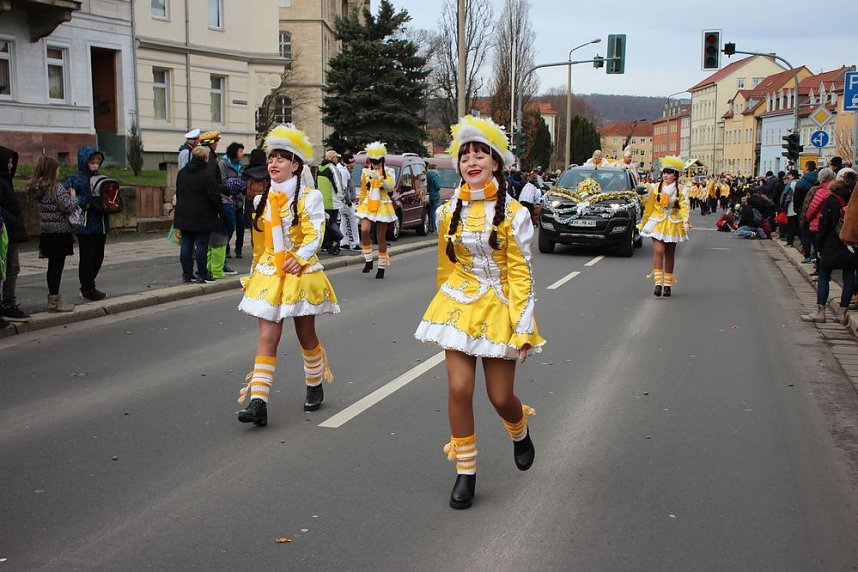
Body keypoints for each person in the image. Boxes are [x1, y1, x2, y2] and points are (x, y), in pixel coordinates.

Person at [414, 115, 545, 510]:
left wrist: (523, 327)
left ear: (496, 163)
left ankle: (519, 429)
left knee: (499, 396)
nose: (471, 162)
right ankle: (465, 472)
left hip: (500, 309)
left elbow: (521, 274)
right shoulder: (446, 211)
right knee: (458, 389)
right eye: (465, 155)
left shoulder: (515, 214)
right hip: (458, 305)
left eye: (480, 155)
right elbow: (445, 264)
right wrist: (442, 306)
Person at [236, 123, 340, 425]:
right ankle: (258, 402)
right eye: (271, 158)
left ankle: (314, 383)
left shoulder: (310, 198)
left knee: (305, 334)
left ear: (295, 165)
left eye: (281, 158)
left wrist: (300, 257)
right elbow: (259, 245)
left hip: (299, 272)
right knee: (268, 336)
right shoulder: (260, 200)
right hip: (269, 272)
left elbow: (314, 234)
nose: (273, 163)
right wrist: (253, 277)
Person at [801, 169, 858, 324]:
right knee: (849, 275)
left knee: (824, 275)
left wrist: (819, 247)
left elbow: (824, 226)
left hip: (832, 243)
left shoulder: (832, 199)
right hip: (851, 243)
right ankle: (842, 312)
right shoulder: (855, 198)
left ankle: (820, 311)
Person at [28, 156, 77, 312]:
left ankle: (53, 298)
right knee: (57, 266)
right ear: (52, 171)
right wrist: (74, 197)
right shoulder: (56, 188)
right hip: (60, 231)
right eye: (56, 169)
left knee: (52, 267)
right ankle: (55, 301)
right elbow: (67, 207)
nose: (58, 171)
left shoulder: (37, 188)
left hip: (47, 231)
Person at [639, 156, 689, 296]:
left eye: (669, 172)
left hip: (673, 223)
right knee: (659, 250)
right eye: (664, 172)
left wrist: (685, 221)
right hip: (657, 222)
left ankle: (667, 284)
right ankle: (658, 283)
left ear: (675, 175)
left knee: (670, 253)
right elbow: (649, 207)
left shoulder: (682, 190)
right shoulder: (656, 188)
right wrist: (643, 222)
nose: (666, 175)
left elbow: (684, 207)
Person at [174, 145, 222, 283]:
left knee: (186, 245)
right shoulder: (207, 175)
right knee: (201, 245)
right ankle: (202, 273)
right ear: (206, 158)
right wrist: (219, 211)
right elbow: (214, 196)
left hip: (184, 214)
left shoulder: (182, 173)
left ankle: (186, 274)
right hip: (202, 215)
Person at [66, 146, 108, 301]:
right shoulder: (75, 179)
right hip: (85, 224)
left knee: (99, 255)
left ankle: (90, 284)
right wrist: (86, 202)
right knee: (87, 257)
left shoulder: (101, 178)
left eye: (98, 162)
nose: (95, 165)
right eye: (92, 161)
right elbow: (68, 198)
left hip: (100, 222)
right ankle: (87, 287)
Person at [355, 141, 396, 279]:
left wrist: (381, 180)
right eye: (373, 161)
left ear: (382, 161)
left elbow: (390, 187)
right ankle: (368, 259)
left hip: (382, 204)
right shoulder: (366, 172)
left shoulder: (389, 171)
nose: (375, 164)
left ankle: (381, 266)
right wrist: (359, 203)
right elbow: (362, 190)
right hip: (368, 204)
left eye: (377, 162)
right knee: (364, 230)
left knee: (380, 237)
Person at [0, 145, 29, 322]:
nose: (11, 165)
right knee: (8, 267)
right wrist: (12, 220)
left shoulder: (6, 180)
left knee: (13, 267)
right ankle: (7, 303)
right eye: (8, 162)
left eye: (12, 162)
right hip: (5, 230)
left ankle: (9, 301)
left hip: (11, 230)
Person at [219, 142, 245, 259]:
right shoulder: (224, 163)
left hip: (239, 199)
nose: (242, 154)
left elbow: (243, 183)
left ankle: (238, 249)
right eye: (240, 151)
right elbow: (223, 180)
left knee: (240, 224)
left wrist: (240, 196)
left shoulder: (241, 165)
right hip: (227, 198)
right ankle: (226, 248)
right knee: (229, 224)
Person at [316, 150, 344, 255]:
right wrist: (341, 197)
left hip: (322, 201)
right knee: (332, 222)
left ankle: (328, 244)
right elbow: (338, 184)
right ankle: (338, 238)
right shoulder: (332, 168)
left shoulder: (319, 168)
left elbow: (316, 183)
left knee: (325, 224)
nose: (337, 159)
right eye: (336, 158)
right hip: (333, 201)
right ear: (333, 158)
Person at [337, 152, 360, 249]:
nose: (354, 164)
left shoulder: (343, 170)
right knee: (351, 221)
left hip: (343, 202)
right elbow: (344, 189)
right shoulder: (344, 172)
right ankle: (354, 243)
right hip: (345, 202)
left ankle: (344, 242)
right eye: (353, 162)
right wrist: (348, 202)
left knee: (345, 222)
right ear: (349, 162)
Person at [426, 161, 441, 233]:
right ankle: (433, 227)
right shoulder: (435, 175)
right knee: (434, 212)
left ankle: (429, 226)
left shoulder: (427, 174)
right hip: (435, 195)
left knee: (429, 211)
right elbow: (438, 186)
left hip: (428, 194)